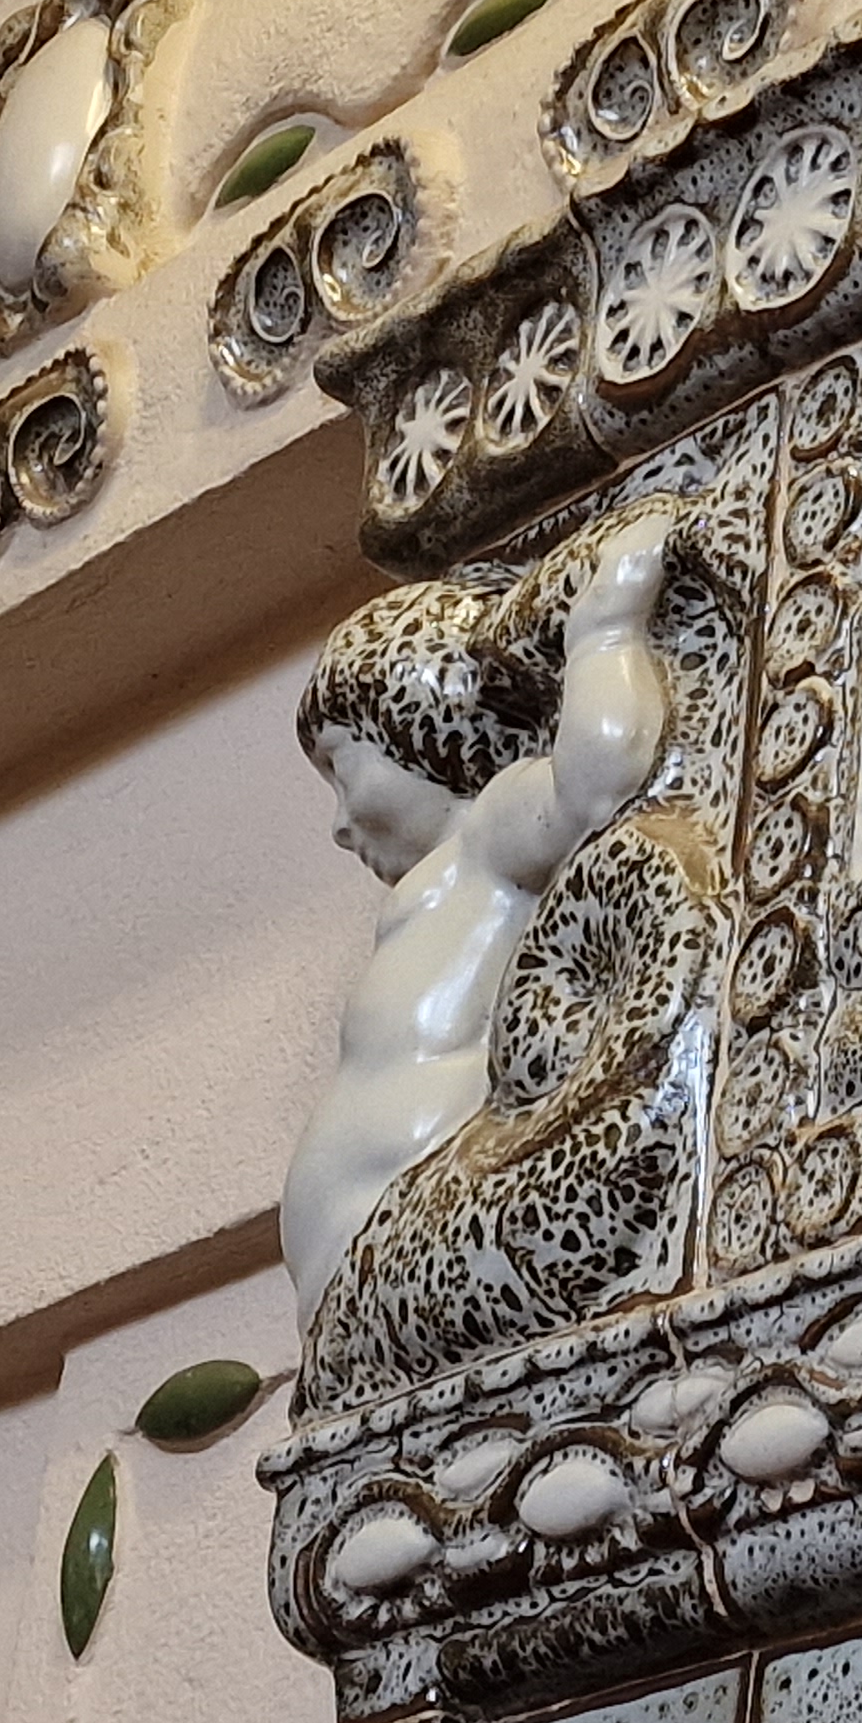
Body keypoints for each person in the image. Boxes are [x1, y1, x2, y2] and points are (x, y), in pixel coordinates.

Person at [280, 525, 671, 1321]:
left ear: (414, 722)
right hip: (372, 1266)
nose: (340, 825)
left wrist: (603, 627)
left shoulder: (488, 831)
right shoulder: (447, 876)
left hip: (424, 1228)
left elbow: (594, 787)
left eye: (342, 768)